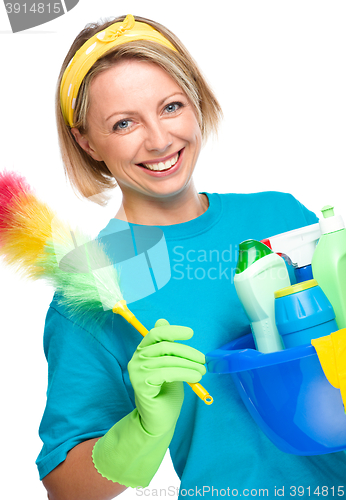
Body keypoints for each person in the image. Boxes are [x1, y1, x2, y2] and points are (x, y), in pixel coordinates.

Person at [37, 14, 346, 500]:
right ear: (86, 140)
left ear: (196, 101)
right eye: (123, 123)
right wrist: (141, 429)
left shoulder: (280, 215)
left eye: (171, 106)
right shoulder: (93, 283)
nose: (159, 140)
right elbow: (65, 485)